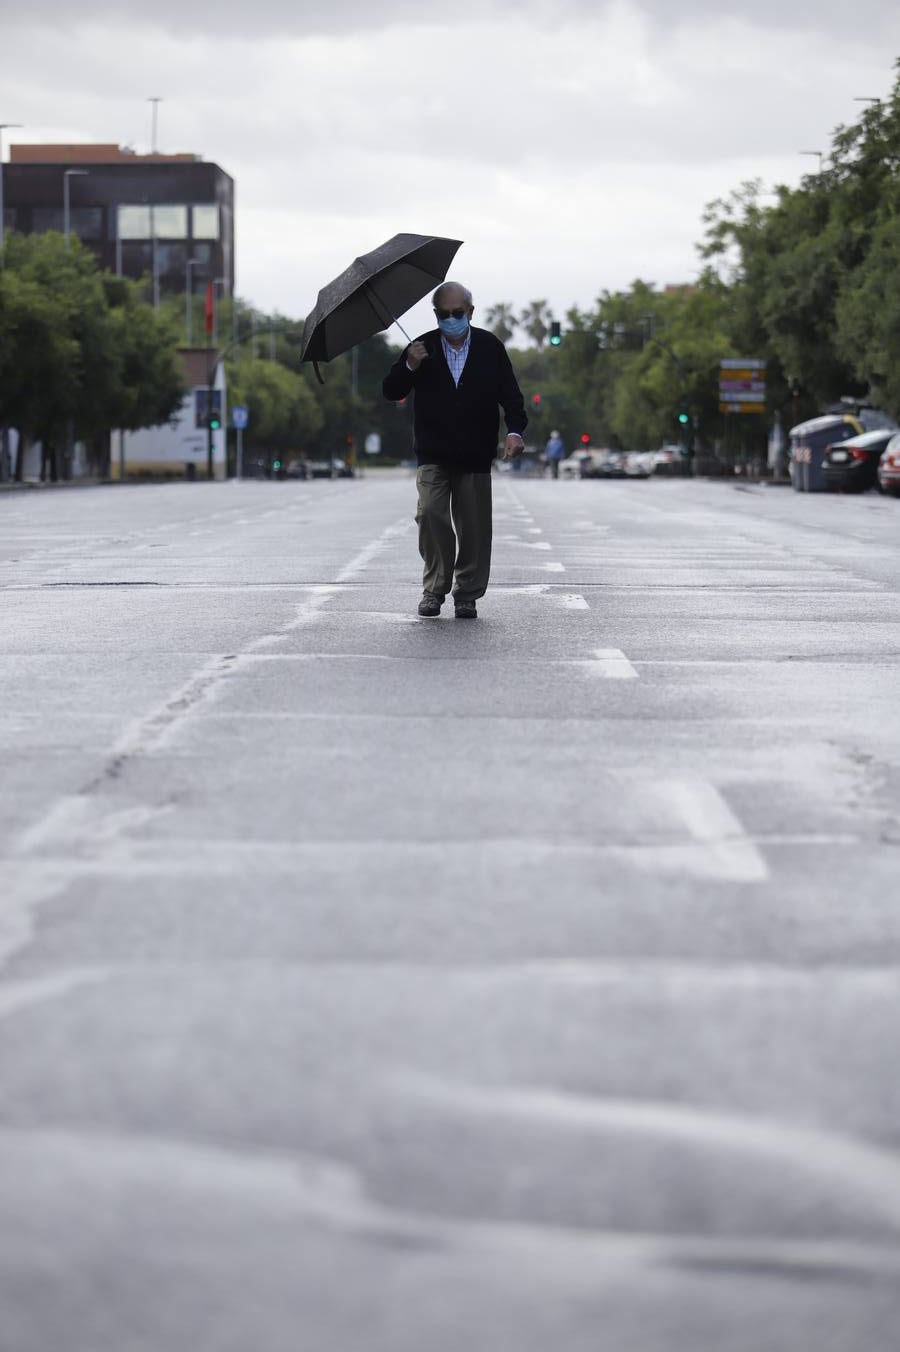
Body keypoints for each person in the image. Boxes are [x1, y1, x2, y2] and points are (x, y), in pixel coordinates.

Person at [382, 281, 527, 619]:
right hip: (433, 453)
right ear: (435, 315)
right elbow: (391, 390)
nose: (450, 319)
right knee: (431, 514)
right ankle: (434, 588)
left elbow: (511, 397)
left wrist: (515, 431)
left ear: (470, 312)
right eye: (443, 314)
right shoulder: (421, 348)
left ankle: (467, 593)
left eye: (457, 313)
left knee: (474, 528)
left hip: (475, 453)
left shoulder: (490, 347)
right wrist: (409, 366)